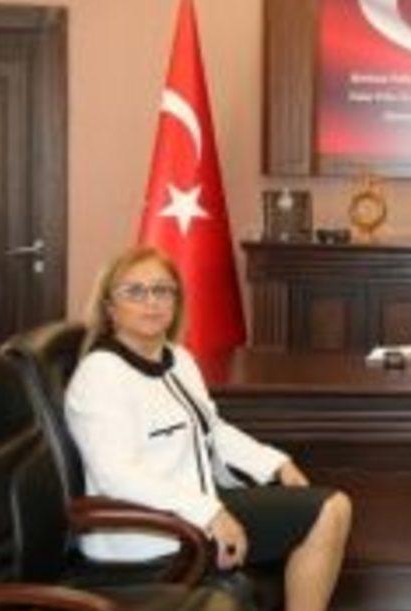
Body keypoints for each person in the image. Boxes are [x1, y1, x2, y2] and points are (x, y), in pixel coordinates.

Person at [65, 245, 351, 610]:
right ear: (110, 307)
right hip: (148, 534)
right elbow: (117, 476)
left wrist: (275, 463)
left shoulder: (178, 358)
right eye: (135, 292)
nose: (151, 302)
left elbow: (212, 429)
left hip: (196, 506)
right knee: (327, 510)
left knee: (331, 509)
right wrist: (209, 513)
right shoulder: (101, 374)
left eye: (162, 290)